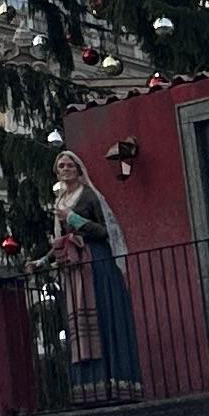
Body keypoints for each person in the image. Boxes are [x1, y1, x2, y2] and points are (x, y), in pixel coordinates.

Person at [48, 153, 140, 394]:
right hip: (75, 268)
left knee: (101, 317)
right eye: (61, 166)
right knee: (81, 323)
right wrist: (42, 261)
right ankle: (88, 385)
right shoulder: (60, 202)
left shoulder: (88, 196)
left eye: (70, 165)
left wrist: (74, 218)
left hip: (96, 262)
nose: (66, 169)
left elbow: (104, 231)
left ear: (79, 169)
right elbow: (61, 239)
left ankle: (114, 379)